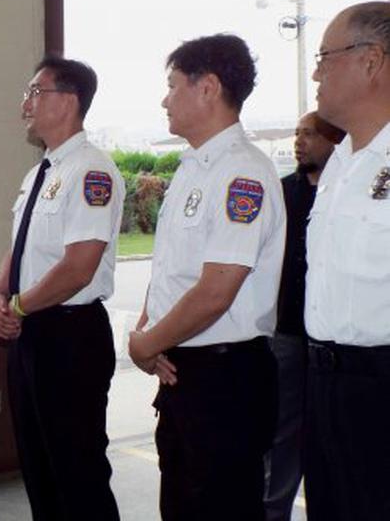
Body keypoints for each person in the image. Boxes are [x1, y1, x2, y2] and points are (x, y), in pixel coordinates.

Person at [127, 34, 286, 521]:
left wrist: (146, 342)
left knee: (221, 507)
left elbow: (217, 290)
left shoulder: (242, 174)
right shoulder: (194, 168)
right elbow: (172, 271)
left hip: (226, 378)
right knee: (181, 505)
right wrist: (149, 334)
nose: (164, 98)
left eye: (172, 85)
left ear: (208, 87)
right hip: (184, 369)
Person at [0, 55, 122, 521]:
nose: (25, 102)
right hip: (32, 331)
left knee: (77, 469)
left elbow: (78, 267)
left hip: (70, 336)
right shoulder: (40, 172)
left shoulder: (90, 172)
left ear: (67, 101)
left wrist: (18, 306)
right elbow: (20, 247)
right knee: (39, 466)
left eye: (35, 92)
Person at [304, 1, 390, 521]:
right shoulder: (341, 160)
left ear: (372, 61)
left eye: (325, 57)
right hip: (326, 382)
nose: (316, 71)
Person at [263, 112, 342, 521]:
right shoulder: (281, 192)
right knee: (282, 435)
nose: (299, 141)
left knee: (331, 440)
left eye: (309, 134)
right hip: (287, 333)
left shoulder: (341, 191)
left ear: (332, 140)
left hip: (335, 343)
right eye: (296, 134)